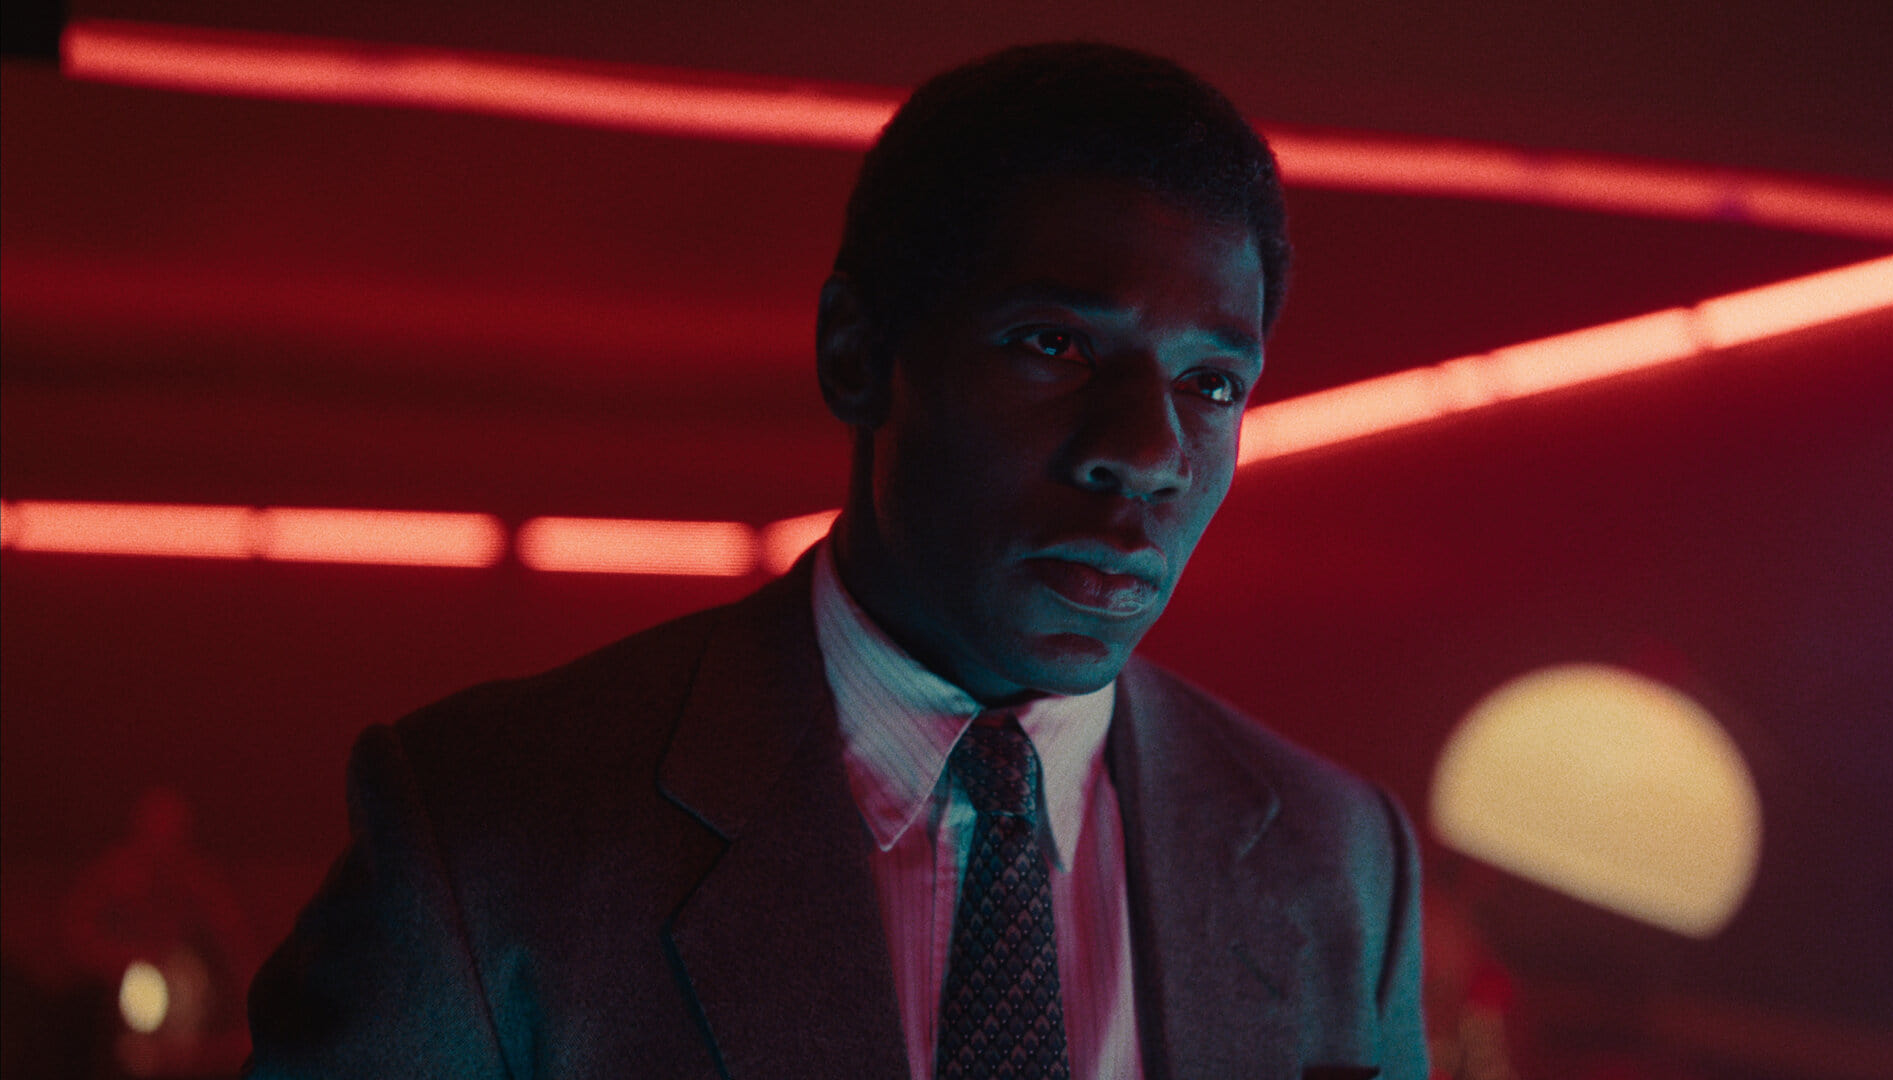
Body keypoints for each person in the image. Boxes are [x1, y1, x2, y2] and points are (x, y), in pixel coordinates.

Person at [246, 42, 1426, 1079]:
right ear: (856, 353)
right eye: (1055, 344)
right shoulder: (487, 828)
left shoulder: (1338, 859)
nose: (1147, 452)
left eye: (1212, 383)